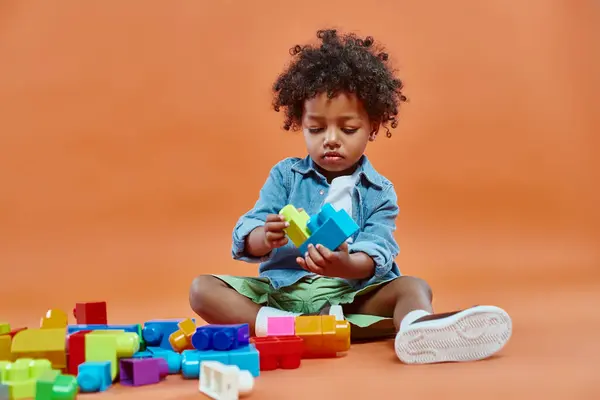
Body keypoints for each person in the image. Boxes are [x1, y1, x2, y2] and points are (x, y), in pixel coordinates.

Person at [189, 28, 512, 364]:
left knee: (413, 287)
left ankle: (418, 327)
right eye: (316, 129)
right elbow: (248, 231)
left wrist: (345, 265)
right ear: (299, 124)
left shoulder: (379, 192)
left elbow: (377, 251)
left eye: (348, 129)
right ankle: (289, 326)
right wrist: (263, 236)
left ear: (373, 127)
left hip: (348, 300)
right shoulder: (285, 176)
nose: (331, 140)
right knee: (202, 289)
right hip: (282, 296)